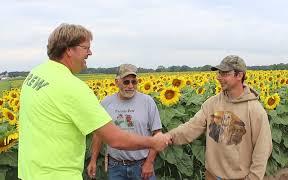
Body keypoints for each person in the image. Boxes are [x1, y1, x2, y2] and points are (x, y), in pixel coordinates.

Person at [18, 23, 171, 180]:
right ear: (69, 50)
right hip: (57, 174)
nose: (90, 53)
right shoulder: (72, 87)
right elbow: (115, 139)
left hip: (29, 172)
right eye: (85, 48)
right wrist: (153, 142)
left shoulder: (34, 75)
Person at [167, 55, 272, 180]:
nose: (219, 77)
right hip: (211, 175)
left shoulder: (255, 110)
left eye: (224, 73)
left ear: (239, 75)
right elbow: (191, 127)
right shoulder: (212, 103)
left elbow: (262, 150)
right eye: (219, 73)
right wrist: (168, 137)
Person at [87, 64, 161, 180]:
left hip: (141, 165)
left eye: (134, 82)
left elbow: (157, 134)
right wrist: (93, 160)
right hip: (116, 167)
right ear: (117, 82)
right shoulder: (106, 103)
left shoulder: (147, 102)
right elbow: (98, 134)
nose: (130, 86)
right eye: (126, 82)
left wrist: (149, 162)